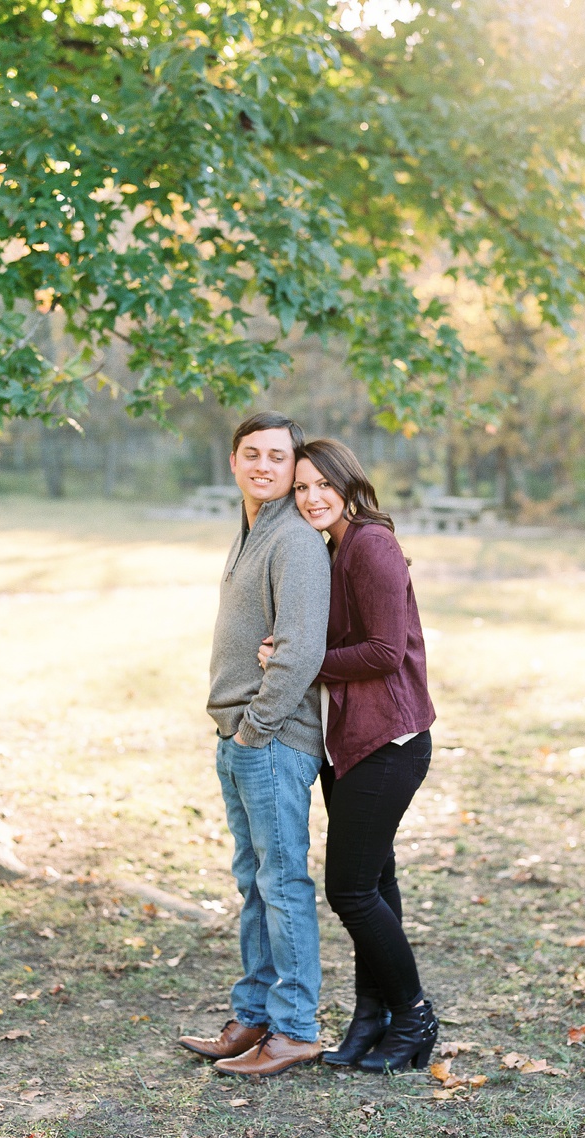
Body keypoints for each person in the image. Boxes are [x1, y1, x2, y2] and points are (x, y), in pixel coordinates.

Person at [269, 438, 437, 1072]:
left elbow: (383, 652)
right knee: (377, 882)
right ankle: (374, 1017)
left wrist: (295, 661)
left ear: (346, 483)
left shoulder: (371, 544)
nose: (311, 497)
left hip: (390, 740)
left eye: (321, 485)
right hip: (349, 744)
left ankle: (415, 1015)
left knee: (350, 889)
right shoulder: (333, 547)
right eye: (300, 488)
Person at [176, 411, 332, 1078]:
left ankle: (295, 1026)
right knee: (254, 881)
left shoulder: (293, 541)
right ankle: (257, 1013)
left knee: (282, 882)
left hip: (269, 740)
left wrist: (253, 730)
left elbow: (299, 654)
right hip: (239, 738)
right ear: (233, 461)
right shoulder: (249, 531)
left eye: (278, 456)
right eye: (252, 453)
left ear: (292, 465)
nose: (264, 465)